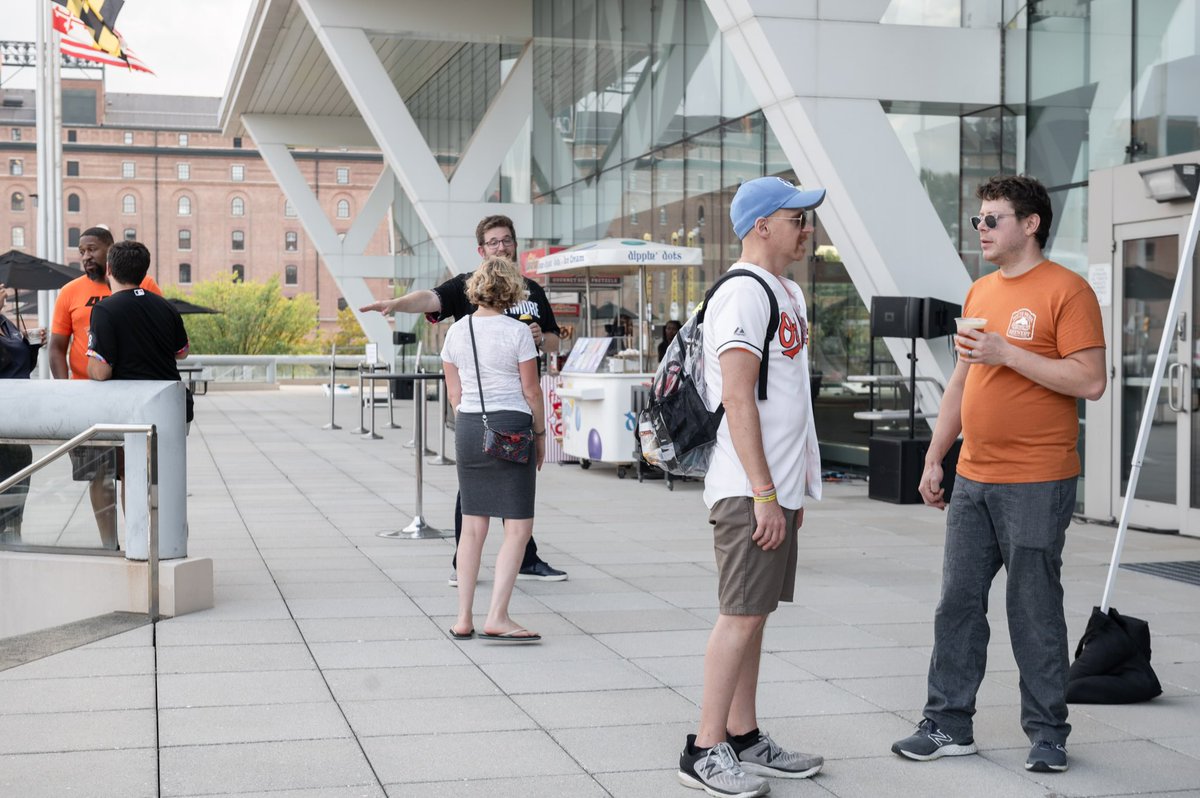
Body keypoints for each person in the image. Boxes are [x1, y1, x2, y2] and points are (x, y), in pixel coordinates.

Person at [891, 175, 1106, 774]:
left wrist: (1009, 354)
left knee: (1033, 607)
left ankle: (1047, 734)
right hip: (974, 477)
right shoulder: (980, 291)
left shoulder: (1069, 290)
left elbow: (1090, 380)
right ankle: (947, 724)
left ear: (1030, 224)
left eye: (992, 219)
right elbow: (962, 380)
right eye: (978, 219)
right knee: (956, 604)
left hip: (1038, 478)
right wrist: (937, 458)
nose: (980, 229)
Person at [677, 176, 826, 797]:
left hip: (776, 489)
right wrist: (765, 493)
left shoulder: (784, 289)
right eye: (798, 218)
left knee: (756, 615)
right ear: (763, 224)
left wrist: (792, 493)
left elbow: (786, 399)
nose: (808, 229)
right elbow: (737, 398)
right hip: (748, 488)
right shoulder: (743, 294)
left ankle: (743, 735)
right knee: (738, 616)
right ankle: (704, 748)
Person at [360, 214, 567, 584]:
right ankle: (464, 563)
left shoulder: (533, 291)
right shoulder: (468, 287)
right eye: (493, 242)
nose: (501, 247)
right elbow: (431, 298)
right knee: (477, 489)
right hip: (484, 408)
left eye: (506, 240)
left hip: (518, 405)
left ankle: (524, 559)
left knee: (513, 486)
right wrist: (396, 303)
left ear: (515, 244)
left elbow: (553, 340)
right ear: (481, 250)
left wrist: (540, 337)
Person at [440, 257, 545, 642]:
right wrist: (540, 437)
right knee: (517, 527)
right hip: (512, 428)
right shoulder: (517, 333)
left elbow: (455, 393)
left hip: (469, 427)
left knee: (472, 528)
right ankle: (497, 615)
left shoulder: (456, 333)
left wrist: (472, 424)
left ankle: (463, 618)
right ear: (511, 291)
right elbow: (531, 391)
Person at [49, 227, 163, 548]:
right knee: (99, 475)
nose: (86, 256)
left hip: (131, 397)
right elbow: (57, 347)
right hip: (87, 397)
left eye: (93, 250)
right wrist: (65, 392)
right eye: (82, 251)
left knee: (132, 473)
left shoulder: (145, 286)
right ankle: (109, 546)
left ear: (111, 251)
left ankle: (138, 544)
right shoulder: (70, 292)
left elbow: (159, 329)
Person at [85, 240, 193, 423]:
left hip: (132, 408)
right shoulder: (166, 306)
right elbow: (182, 352)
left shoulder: (104, 310)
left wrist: (91, 354)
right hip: (173, 404)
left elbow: (101, 372)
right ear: (144, 272)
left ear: (109, 269)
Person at [0, 283, 43, 543]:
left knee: (19, 467)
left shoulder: (7, 324)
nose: (2, 289)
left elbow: (21, 365)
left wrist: (32, 346)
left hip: (17, 415)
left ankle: (13, 531)